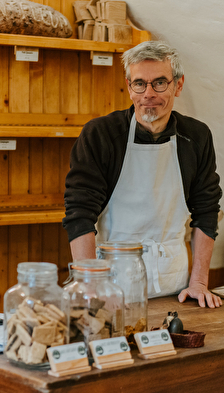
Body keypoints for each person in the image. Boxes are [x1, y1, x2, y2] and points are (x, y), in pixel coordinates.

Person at [63, 41, 222, 308]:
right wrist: (91, 285)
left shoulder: (196, 136)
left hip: (176, 288)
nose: (148, 93)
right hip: (110, 287)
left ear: (178, 85)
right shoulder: (100, 135)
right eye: (140, 83)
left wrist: (199, 283)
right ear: (129, 87)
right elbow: (79, 213)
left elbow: (206, 211)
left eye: (160, 82)